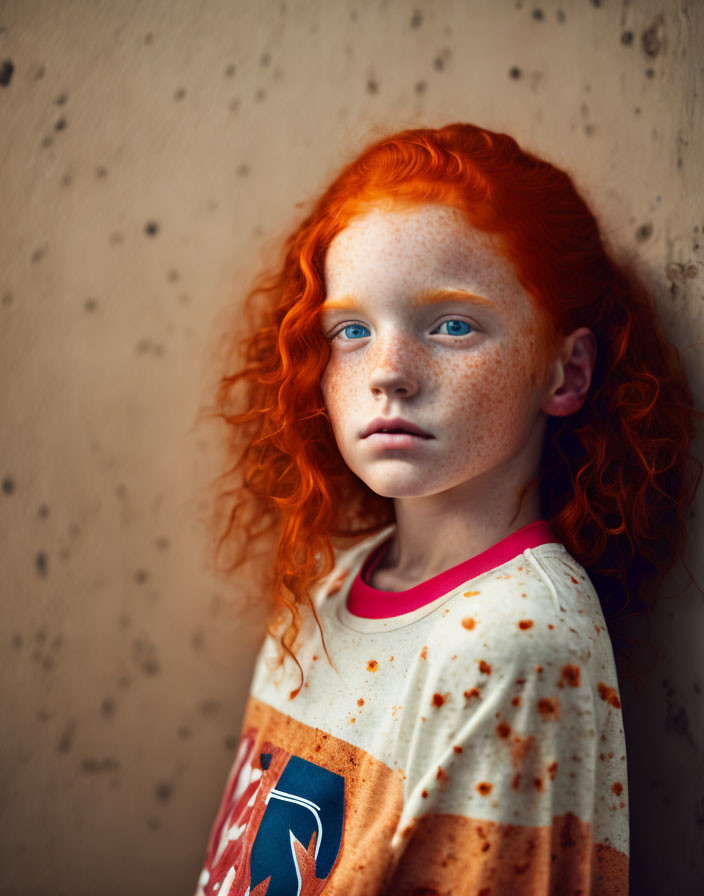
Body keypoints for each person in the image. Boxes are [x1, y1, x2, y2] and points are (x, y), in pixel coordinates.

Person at [193, 123, 700, 895]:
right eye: (352, 330)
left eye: (452, 325)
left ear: (567, 372)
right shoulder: (327, 590)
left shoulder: (512, 638)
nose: (389, 374)